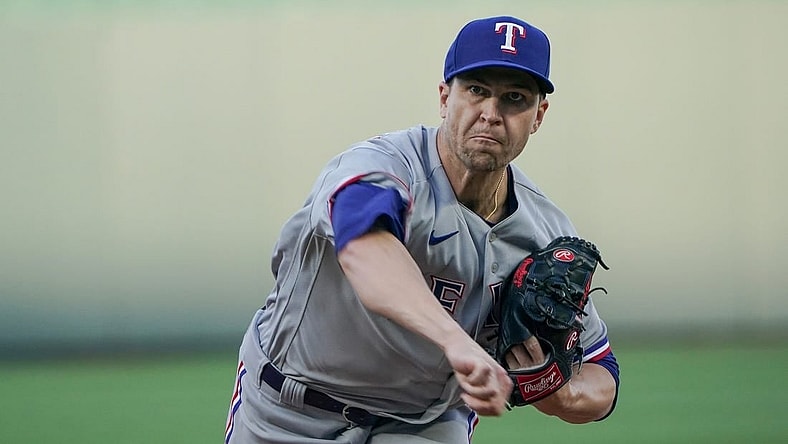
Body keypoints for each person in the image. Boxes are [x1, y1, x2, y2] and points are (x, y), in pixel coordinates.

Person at [225, 15, 620, 444]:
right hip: (291, 407)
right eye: (476, 90)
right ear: (444, 97)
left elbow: (603, 371)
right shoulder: (381, 167)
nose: (490, 113)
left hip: (426, 423)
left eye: (514, 98)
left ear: (538, 115)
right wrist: (456, 341)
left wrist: (557, 392)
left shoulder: (542, 232)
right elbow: (364, 250)